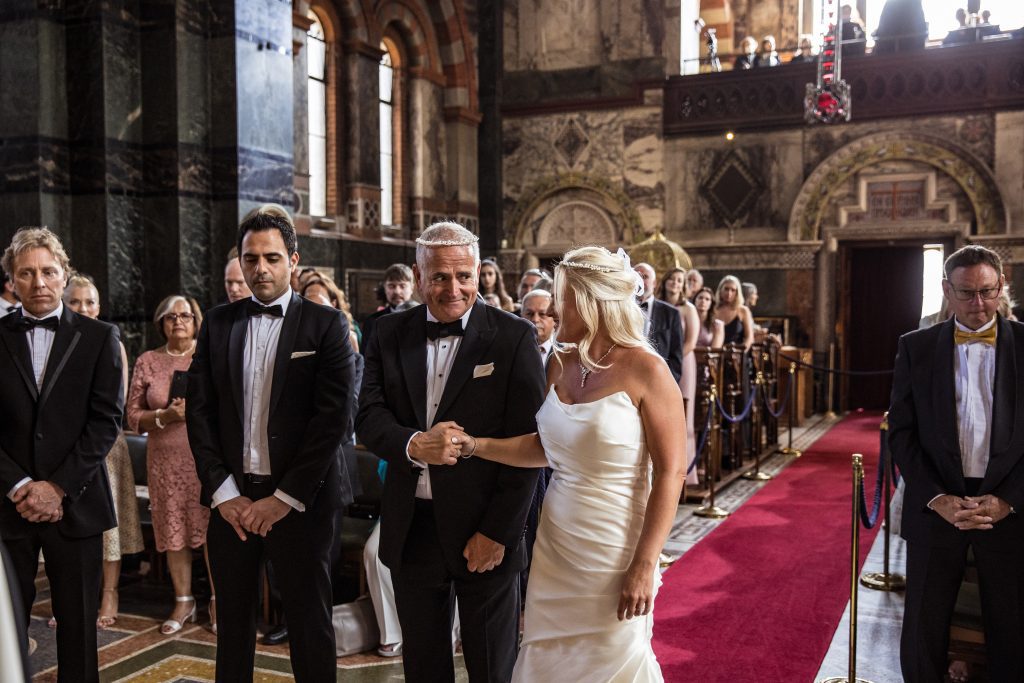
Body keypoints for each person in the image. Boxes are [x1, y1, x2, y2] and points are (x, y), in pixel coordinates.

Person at [450, 245, 685, 681]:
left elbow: (672, 473)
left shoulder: (647, 370)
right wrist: (473, 445)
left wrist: (645, 563)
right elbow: (546, 447)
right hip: (557, 543)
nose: (554, 308)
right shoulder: (559, 362)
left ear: (592, 301)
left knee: (612, 658)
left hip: (615, 545)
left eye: (562, 297)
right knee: (548, 656)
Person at [356, 221, 546, 682]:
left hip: (484, 530)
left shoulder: (513, 336)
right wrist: (413, 443)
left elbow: (531, 447)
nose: (453, 288)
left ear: (479, 272)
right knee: (423, 667)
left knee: (490, 667)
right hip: (412, 527)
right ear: (419, 277)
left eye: (463, 275)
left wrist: (499, 533)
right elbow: (368, 416)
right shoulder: (386, 332)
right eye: (439, 276)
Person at [186, 204, 355, 681]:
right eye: (251, 258)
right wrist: (225, 494)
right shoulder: (218, 323)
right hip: (232, 501)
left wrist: (283, 500)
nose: (260, 268)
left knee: (308, 622)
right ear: (239, 262)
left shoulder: (326, 326)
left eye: (272, 258)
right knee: (232, 624)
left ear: (293, 261)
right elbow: (199, 413)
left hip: (302, 502)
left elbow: (332, 422)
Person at [889, 245, 1024, 683]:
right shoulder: (916, 347)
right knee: (923, 629)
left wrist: (1008, 500)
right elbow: (902, 433)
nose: (979, 304)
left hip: (1007, 507)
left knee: (1012, 626)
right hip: (937, 503)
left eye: (987, 291)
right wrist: (937, 497)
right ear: (947, 290)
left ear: (1001, 286)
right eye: (967, 293)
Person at [0, 227, 123, 682]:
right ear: (11, 279)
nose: (38, 283)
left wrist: (57, 488)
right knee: (4, 628)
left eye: (48, 272)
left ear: (64, 274)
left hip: (77, 500)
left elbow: (105, 421)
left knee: (78, 627)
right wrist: (19, 486)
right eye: (26, 273)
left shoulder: (98, 337)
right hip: (7, 502)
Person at [126, 295, 215, 635]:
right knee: (173, 529)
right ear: (160, 323)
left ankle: (219, 600)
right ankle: (184, 599)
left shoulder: (207, 357)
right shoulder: (148, 360)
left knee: (210, 532)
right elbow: (133, 415)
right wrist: (165, 416)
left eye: (185, 316)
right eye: (170, 316)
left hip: (203, 458)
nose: (178, 321)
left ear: (196, 321)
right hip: (164, 459)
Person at [63, 274, 143, 629]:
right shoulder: (55, 340)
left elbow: (115, 403)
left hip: (103, 446)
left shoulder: (109, 341)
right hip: (62, 449)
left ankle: (109, 593)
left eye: (90, 301)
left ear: (99, 306)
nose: (83, 308)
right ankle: (73, 595)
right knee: (67, 522)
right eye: (75, 301)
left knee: (105, 527)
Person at [656, 268, 700, 486]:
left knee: (683, 414)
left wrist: (669, 364)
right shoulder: (655, 305)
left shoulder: (688, 309)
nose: (675, 283)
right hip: (658, 365)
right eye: (672, 279)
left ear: (684, 286)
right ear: (664, 282)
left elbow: (691, 341)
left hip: (682, 362)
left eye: (679, 281)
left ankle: (686, 472)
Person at [634, 263, 683, 383]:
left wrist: (668, 383)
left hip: (659, 378)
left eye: (645, 277)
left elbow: (676, 355)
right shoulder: (620, 310)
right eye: (636, 276)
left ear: (654, 283)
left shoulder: (671, 313)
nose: (640, 281)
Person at [362, 263, 417, 349]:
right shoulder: (372, 322)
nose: (397, 291)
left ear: (412, 288)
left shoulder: (423, 317)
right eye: (392, 286)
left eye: (402, 286)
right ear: (385, 288)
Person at [301, 274, 360, 353]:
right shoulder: (295, 333)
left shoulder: (347, 337)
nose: (314, 308)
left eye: (320, 300)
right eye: (309, 300)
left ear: (333, 304)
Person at [715, 275, 755, 349]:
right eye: (726, 289)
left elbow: (749, 337)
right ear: (720, 290)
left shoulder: (743, 311)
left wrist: (742, 352)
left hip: (739, 353)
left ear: (737, 293)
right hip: (716, 354)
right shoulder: (713, 310)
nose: (729, 293)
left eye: (733, 290)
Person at [522, 289, 557, 362]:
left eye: (542, 314)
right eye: (529, 314)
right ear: (521, 316)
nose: (535, 319)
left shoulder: (564, 353)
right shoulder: (510, 348)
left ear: (554, 317)